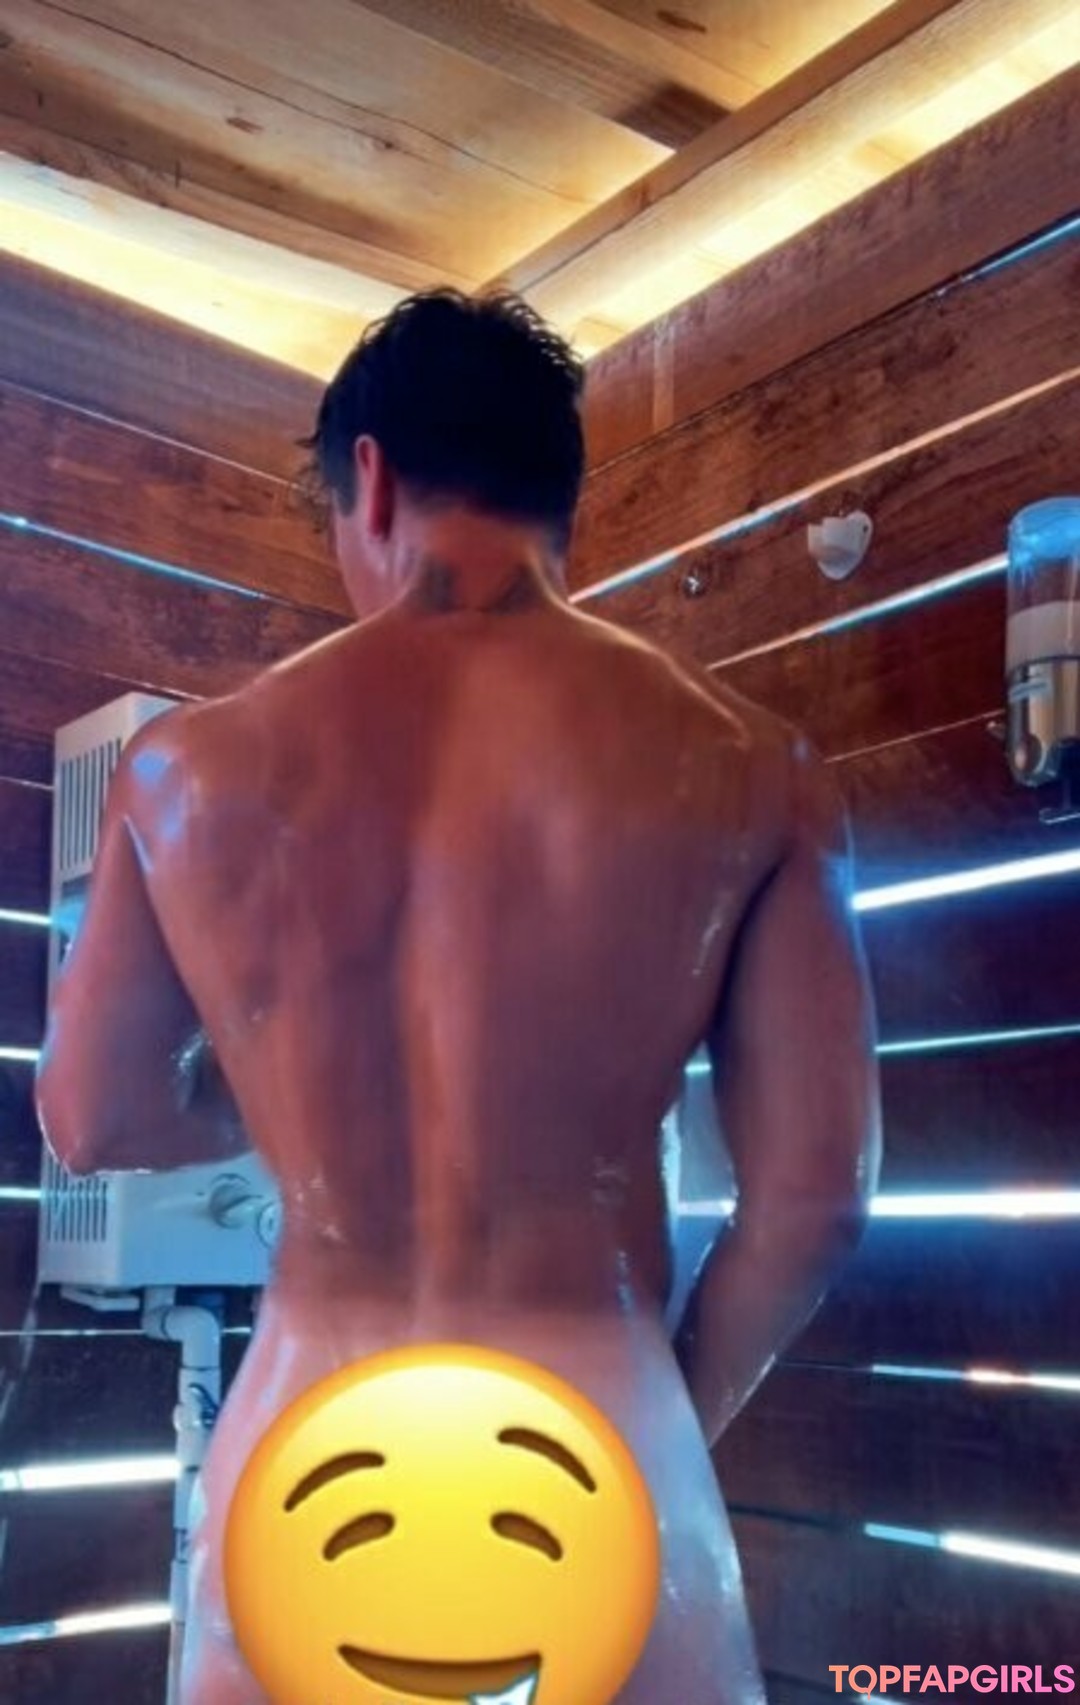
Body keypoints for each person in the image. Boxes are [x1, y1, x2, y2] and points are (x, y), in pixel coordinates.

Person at [37, 290, 880, 1705]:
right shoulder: (755, 766)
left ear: (367, 479)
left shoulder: (184, 769)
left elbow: (93, 1113)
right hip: (594, 1435)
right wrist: (656, 1422)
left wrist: (273, 1103)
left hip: (309, 1445)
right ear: (562, 496)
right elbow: (814, 1203)